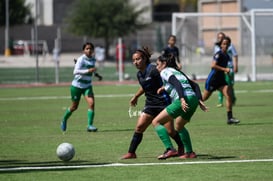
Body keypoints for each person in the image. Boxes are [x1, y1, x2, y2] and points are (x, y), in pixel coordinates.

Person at [121, 47, 185, 159]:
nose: (135, 62)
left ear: (145, 59)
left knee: (170, 131)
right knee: (139, 127)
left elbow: (168, 79)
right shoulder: (139, 74)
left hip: (163, 103)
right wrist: (136, 96)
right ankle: (131, 153)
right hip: (150, 104)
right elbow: (145, 86)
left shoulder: (154, 70)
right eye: (134, 60)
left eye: (138, 59)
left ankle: (179, 147)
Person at [153, 54, 208, 159]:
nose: (156, 67)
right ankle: (190, 153)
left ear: (164, 64)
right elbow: (195, 85)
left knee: (156, 122)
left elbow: (176, 82)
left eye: (157, 64)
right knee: (179, 126)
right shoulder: (178, 71)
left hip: (183, 99)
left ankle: (170, 149)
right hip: (193, 99)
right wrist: (199, 100)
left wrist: (182, 99)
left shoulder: (165, 71)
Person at [61, 42, 98, 132]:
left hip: (87, 86)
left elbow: (91, 70)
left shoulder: (93, 59)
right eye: (87, 49)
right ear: (83, 50)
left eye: (90, 49)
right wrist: (88, 70)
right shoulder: (81, 59)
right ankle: (64, 119)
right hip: (77, 86)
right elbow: (75, 71)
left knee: (91, 103)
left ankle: (90, 125)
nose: (89, 50)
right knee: (74, 107)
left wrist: (96, 74)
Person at [203, 36, 239, 125]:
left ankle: (229, 118)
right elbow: (213, 65)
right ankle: (186, 106)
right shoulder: (218, 54)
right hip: (213, 80)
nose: (225, 45)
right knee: (203, 98)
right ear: (221, 45)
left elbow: (223, 68)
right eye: (223, 44)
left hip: (221, 80)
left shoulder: (227, 56)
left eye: (227, 44)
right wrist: (224, 69)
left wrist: (226, 72)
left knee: (228, 95)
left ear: (229, 45)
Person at [214, 32, 238, 107]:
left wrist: (236, 66)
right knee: (222, 84)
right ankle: (220, 101)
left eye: (222, 37)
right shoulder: (216, 47)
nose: (220, 38)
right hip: (221, 68)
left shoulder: (230, 46)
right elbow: (215, 58)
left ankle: (232, 98)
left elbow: (235, 55)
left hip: (229, 67)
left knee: (229, 84)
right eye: (219, 37)